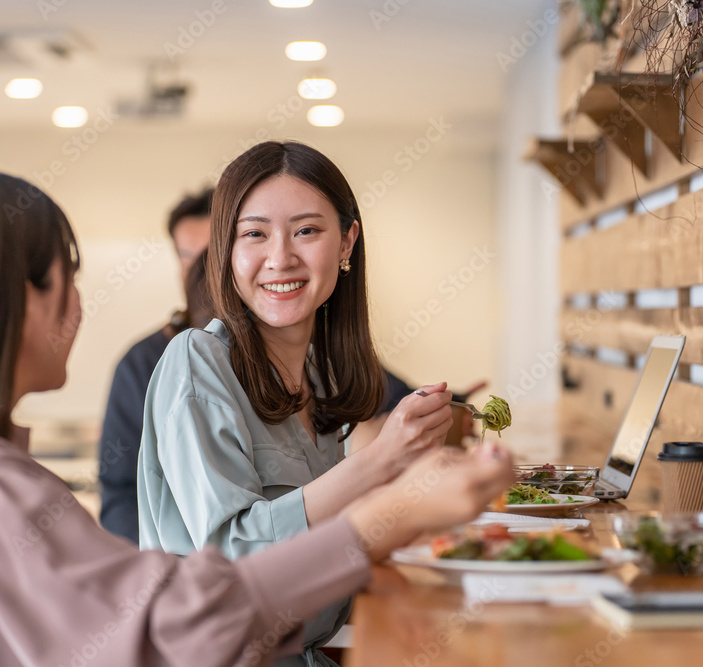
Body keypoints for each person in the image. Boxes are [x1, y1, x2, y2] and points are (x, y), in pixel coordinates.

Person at [0, 169, 515, 666]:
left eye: (306, 231)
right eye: (69, 275)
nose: (80, 302)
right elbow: (179, 622)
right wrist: (387, 512)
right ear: (12, 296)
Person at [138, 142, 475, 667]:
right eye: (254, 234)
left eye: (306, 230)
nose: (280, 258)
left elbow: (323, 544)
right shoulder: (196, 360)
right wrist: (382, 460)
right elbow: (235, 560)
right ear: (225, 250)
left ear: (347, 242)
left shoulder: (317, 372)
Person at [98, 188, 213, 543]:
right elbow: (120, 494)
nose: (200, 273)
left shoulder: (292, 348)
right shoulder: (142, 365)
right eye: (187, 258)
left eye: (212, 257)